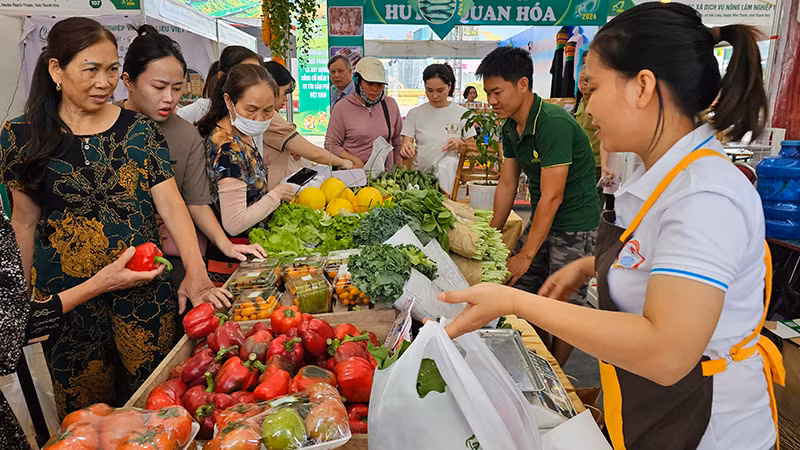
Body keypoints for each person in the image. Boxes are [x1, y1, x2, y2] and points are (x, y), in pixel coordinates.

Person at [440, 4, 780, 450]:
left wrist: (516, 301)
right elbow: (656, 262)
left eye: (594, 87)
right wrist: (587, 266)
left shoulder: (704, 195)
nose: (587, 106)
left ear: (643, 87)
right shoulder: (659, 177)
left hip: (709, 430)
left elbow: (666, 351)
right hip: (653, 416)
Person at [0, 17, 225, 416]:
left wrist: (196, 272)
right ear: (56, 69)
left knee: (157, 403)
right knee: (87, 417)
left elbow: (171, 204)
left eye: (110, 69)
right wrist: (19, 304)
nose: (104, 82)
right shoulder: (22, 135)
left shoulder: (139, 130)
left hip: (143, 293)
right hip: (69, 302)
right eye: (91, 69)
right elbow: (24, 222)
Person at [0, 211, 171, 449]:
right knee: (88, 422)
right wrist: (99, 284)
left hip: (131, 302)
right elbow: (8, 329)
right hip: (71, 310)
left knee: (138, 412)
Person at [117, 25, 265, 289]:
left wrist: (224, 244)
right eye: (159, 87)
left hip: (166, 261)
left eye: (177, 88)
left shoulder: (187, 136)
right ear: (128, 80)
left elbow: (197, 203)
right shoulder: (101, 126)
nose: (169, 98)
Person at [478, 46, 599, 365]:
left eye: (497, 92)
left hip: (575, 222)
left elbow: (553, 196)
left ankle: (558, 372)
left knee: (564, 303)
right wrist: (491, 237)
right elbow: (507, 183)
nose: (492, 100)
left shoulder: (552, 123)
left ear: (522, 85)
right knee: (521, 288)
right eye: (488, 93)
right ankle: (540, 359)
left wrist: (526, 254)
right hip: (545, 217)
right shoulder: (510, 126)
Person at [197, 64, 298, 284]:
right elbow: (234, 222)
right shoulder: (227, 149)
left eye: (268, 111)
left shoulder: (241, 135)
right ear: (228, 101)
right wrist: (277, 194)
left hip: (250, 255)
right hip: (235, 263)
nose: (259, 118)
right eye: (251, 110)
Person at [262, 61, 353, 190]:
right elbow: (315, 153)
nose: (286, 99)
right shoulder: (270, 117)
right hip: (276, 189)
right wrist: (342, 162)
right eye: (285, 93)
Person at [399, 63, 475, 195]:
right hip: (421, 181)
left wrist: (460, 144)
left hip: (451, 182)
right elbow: (406, 144)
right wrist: (406, 149)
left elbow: (473, 151)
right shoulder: (415, 114)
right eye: (429, 90)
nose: (434, 96)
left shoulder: (462, 114)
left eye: (440, 90)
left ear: (449, 86)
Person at [325, 57, 403, 170]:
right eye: (369, 84)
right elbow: (330, 145)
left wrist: (400, 169)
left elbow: (397, 142)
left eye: (379, 84)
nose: (375, 89)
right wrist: (352, 159)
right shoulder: (342, 107)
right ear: (358, 82)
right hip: (353, 174)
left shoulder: (390, 105)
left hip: (385, 176)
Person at [177, 46, 261, 125]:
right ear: (221, 77)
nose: (255, 81)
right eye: (246, 75)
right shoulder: (191, 114)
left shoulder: (260, 115)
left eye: (260, 74)